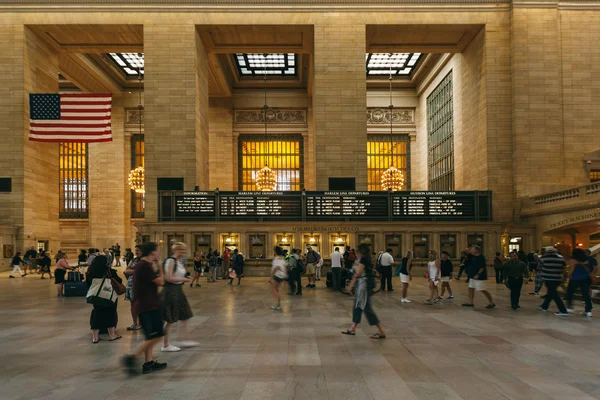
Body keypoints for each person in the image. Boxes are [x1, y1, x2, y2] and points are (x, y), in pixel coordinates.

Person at [122, 241, 168, 375]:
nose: (159, 253)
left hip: (146, 305)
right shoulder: (145, 266)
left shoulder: (143, 265)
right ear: (153, 252)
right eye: (158, 250)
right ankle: (132, 357)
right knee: (157, 335)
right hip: (148, 306)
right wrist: (160, 265)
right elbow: (162, 282)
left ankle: (148, 363)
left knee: (150, 336)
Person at [341, 243, 386, 339]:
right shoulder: (366, 259)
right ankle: (352, 329)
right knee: (358, 307)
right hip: (363, 286)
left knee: (366, 309)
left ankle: (381, 331)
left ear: (361, 251)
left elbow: (358, 273)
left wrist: (351, 285)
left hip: (363, 286)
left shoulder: (363, 259)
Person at [160, 242, 197, 352]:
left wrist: (186, 275)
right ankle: (166, 345)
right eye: (182, 250)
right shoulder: (170, 261)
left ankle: (183, 339)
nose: (184, 252)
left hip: (178, 290)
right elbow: (169, 278)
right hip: (171, 291)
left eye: (184, 250)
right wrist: (184, 279)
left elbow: (183, 270)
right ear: (176, 250)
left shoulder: (181, 260)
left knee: (185, 315)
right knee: (170, 319)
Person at [86, 255, 121, 343]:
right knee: (111, 314)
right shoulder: (109, 271)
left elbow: (88, 283)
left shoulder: (90, 271)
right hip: (109, 295)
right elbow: (119, 281)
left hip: (96, 296)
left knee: (97, 314)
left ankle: (95, 337)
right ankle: (112, 335)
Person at [537, 246, 569, 316]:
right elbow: (563, 268)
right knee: (551, 292)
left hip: (548, 278)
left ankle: (563, 310)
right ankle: (544, 306)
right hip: (557, 278)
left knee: (554, 294)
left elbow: (539, 267)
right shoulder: (561, 258)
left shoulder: (543, 258)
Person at [565, 248, 595, 317]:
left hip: (575, 278)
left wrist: (568, 275)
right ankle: (588, 311)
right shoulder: (587, 259)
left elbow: (572, 269)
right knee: (586, 295)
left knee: (570, 292)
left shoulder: (573, 260)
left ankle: (569, 307)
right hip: (586, 278)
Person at [124, 245, 142, 331]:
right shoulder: (133, 260)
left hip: (141, 284)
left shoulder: (146, 261)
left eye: (138, 250)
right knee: (133, 304)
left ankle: (141, 323)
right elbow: (126, 270)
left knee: (141, 304)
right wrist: (137, 271)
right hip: (131, 283)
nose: (136, 252)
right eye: (135, 250)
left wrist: (133, 271)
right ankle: (135, 323)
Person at [270, 246, 287, 311]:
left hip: (277, 275)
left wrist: (270, 277)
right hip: (282, 275)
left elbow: (276, 268)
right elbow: (285, 266)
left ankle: (279, 302)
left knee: (273, 290)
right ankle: (278, 304)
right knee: (277, 289)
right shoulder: (282, 258)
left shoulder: (277, 258)